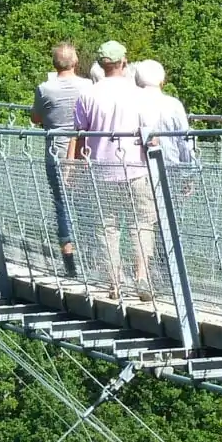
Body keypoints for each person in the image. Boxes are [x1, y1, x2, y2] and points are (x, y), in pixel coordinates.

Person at [72, 40, 157, 301]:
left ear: (101, 64)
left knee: (106, 228)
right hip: (136, 170)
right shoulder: (139, 95)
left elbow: (80, 134)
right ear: (124, 62)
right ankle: (141, 276)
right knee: (141, 224)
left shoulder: (88, 94)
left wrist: (74, 168)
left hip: (101, 171)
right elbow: (152, 138)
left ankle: (114, 282)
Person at [32, 42, 90, 274]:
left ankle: (70, 262)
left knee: (61, 204)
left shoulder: (44, 89)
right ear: (75, 62)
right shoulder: (88, 87)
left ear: (54, 64)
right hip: (83, 154)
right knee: (88, 205)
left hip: (56, 152)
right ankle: (92, 256)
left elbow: (35, 118)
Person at [134, 59, 195, 169]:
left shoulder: (132, 104)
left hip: (139, 170)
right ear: (162, 81)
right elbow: (184, 141)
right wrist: (189, 173)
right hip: (171, 168)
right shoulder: (174, 105)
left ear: (138, 80)